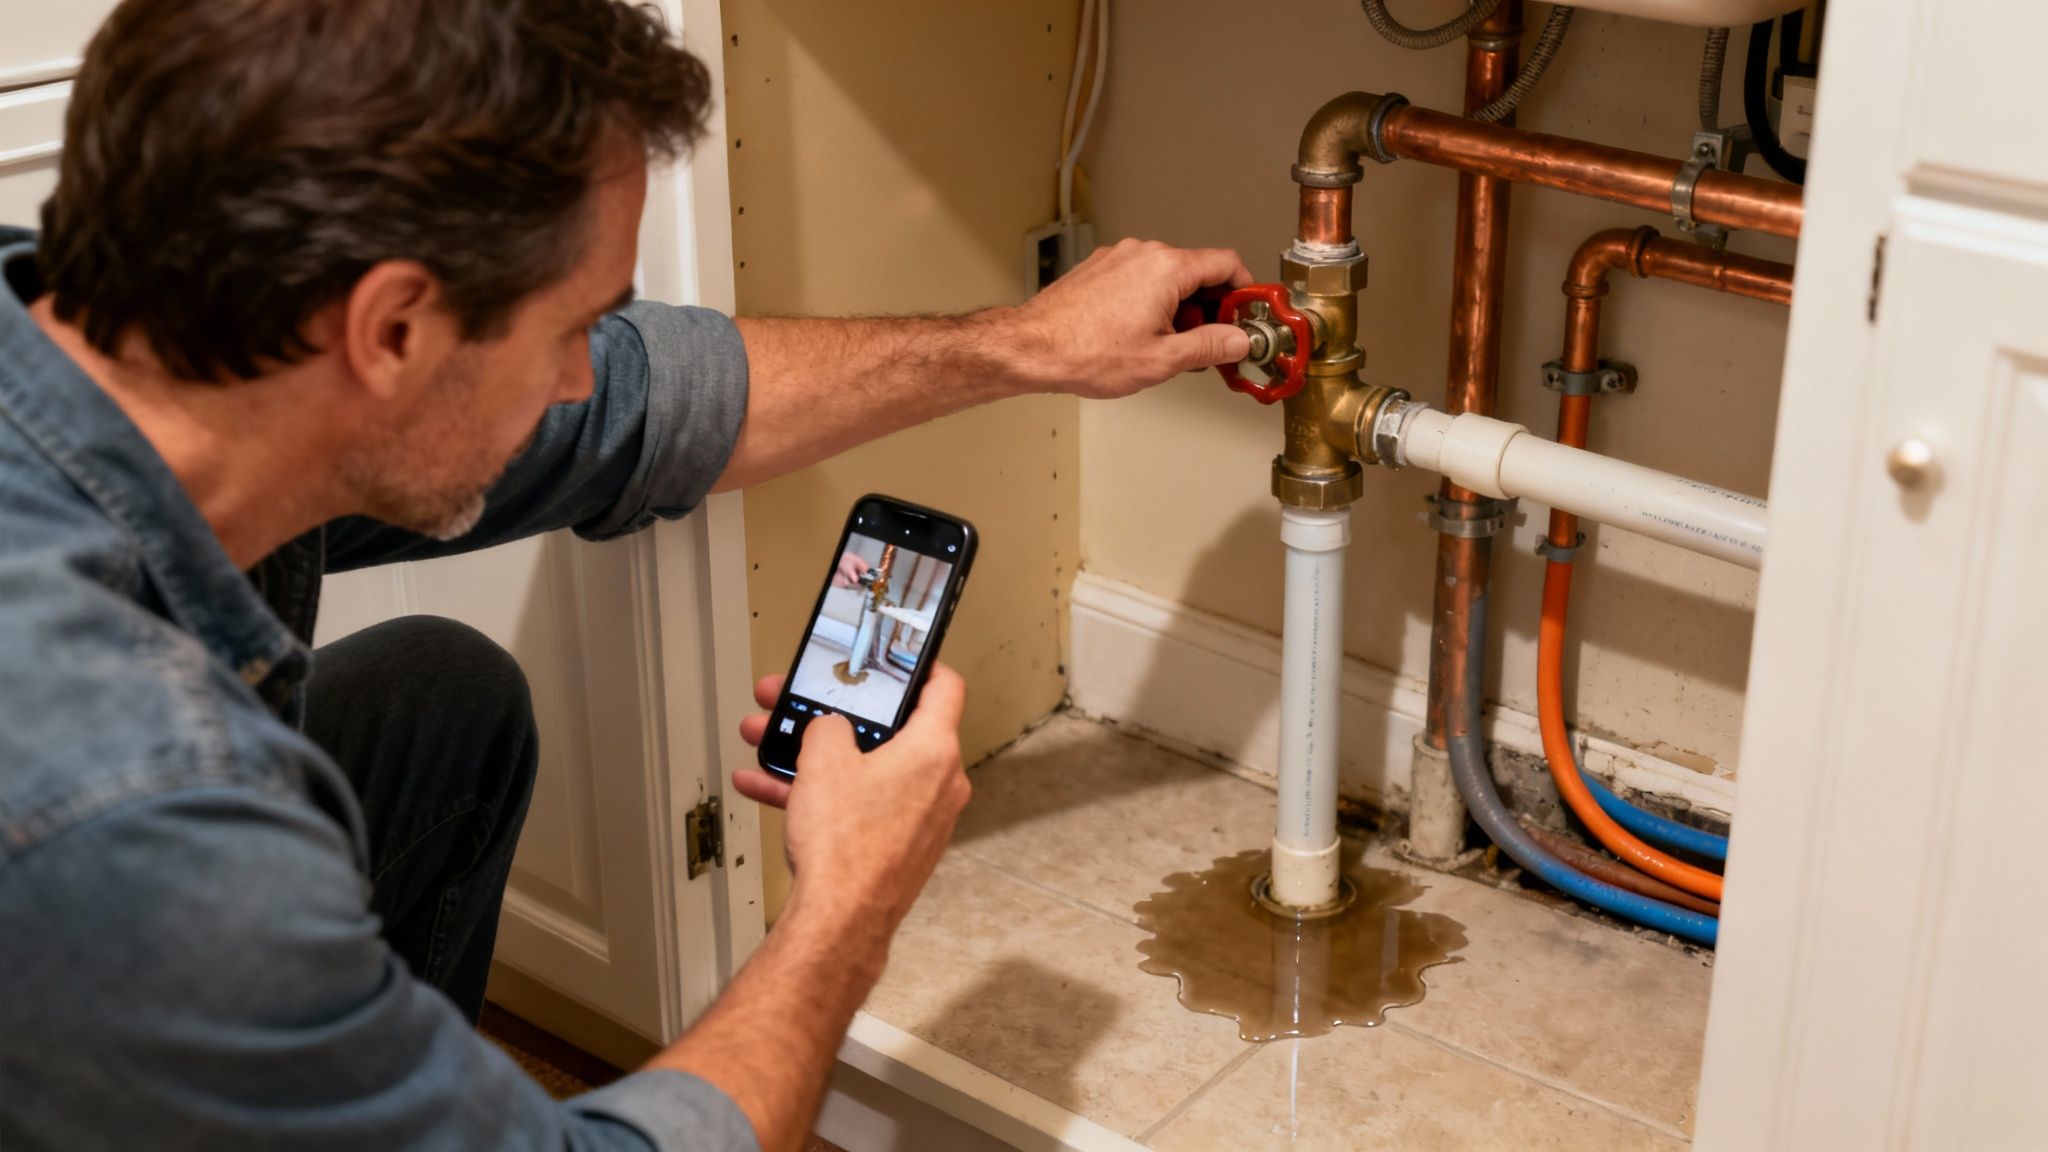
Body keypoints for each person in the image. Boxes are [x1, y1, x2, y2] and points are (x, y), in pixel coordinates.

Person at [0, 1, 1253, 1150]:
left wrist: (1021, 344)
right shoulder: (125, 799)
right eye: (569, 329)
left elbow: (640, 412)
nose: (578, 378)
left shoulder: (132, 345)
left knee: (439, 703)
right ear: (391, 330)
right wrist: (846, 908)